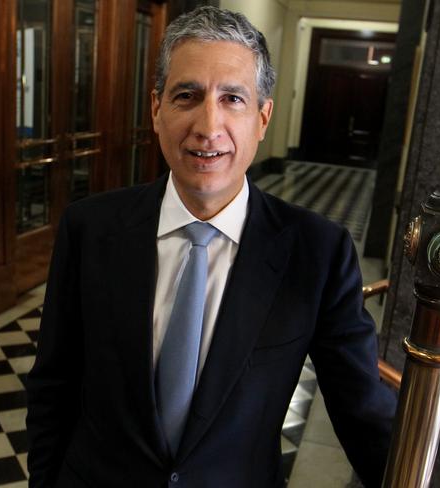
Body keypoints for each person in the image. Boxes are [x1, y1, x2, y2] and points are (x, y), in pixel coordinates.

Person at [26, 6, 396, 488]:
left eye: (232, 99)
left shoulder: (317, 253)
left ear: (262, 118)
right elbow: (54, 381)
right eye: (187, 95)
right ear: (157, 109)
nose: (208, 124)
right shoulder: (90, 228)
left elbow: (362, 410)